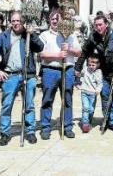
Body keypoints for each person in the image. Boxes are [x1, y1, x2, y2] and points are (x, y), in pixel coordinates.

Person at [74, 14, 113, 133]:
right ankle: (106, 119)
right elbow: (84, 52)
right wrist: (78, 68)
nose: (98, 27)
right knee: (105, 96)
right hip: (103, 72)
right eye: (96, 25)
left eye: (100, 25)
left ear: (106, 24)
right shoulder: (93, 37)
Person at [0, 11, 44, 145]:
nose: (16, 23)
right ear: (10, 22)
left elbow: (40, 47)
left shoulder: (27, 35)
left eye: (18, 21)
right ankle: (5, 133)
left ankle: (30, 131)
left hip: (27, 75)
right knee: (6, 105)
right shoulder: (4, 36)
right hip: (10, 75)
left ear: (22, 22)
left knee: (29, 104)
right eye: (13, 21)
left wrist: (32, 34)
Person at [39, 11, 82, 139]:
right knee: (47, 99)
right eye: (53, 19)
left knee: (67, 98)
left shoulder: (71, 34)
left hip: (67, 69)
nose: (55, 21)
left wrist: (69, 49)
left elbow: (79, 52)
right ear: (49, 20)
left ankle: (67, 126)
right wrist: (57, 55)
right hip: (50, 70)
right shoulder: (44, 35)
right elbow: (41, 54)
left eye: (57, 19)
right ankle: (45, 127)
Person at [77, 54, 103, 133]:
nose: (91, 66)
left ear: (97, 65)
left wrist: (98, 90)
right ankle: (85, 124)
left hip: (93, 94)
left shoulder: (99, 72)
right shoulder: (85, 70)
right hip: (84, 92)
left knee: (91, 110)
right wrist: (78, 83)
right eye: (89, 65)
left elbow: (100, 83)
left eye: (93, 65)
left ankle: (89, 121)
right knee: (85, 108)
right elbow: (79, 75)